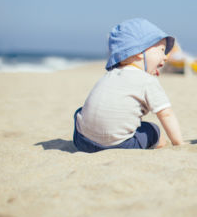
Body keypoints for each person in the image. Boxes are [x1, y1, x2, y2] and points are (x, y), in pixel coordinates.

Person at [73, 18, 184, 152]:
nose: (166, 57)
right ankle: (158, 141)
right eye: (161, 50)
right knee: (153, 130)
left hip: (83, 142)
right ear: (139, 52)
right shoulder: (147, 80)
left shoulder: (109, 75)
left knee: (80, 112)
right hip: (120, 145)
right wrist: (179, 144)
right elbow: (166, 114)